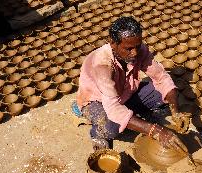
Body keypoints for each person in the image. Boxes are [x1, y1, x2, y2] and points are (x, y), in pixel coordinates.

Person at [72, 16, 189, 154]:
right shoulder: (102, 64)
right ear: (113, 43)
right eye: (128, 48)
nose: (134, 53)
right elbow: (113, 108)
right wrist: (155, 130)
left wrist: (175, 110)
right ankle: (97, 133)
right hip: (98, 101)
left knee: (162, 93)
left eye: (137, 46)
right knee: (112, 127)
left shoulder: (139, 50)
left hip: (124, 94)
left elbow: (162, 78)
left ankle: (131, 116)